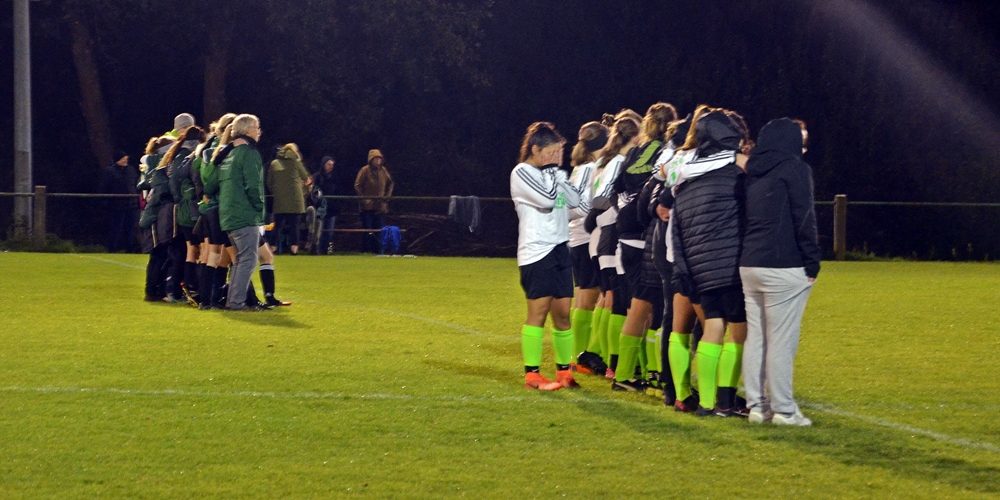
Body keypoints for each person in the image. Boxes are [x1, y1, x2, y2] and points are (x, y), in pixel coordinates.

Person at [668, 106, 750, 417]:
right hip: (730, 265)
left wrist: (684, 269)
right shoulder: (735, 174)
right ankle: (727, 401)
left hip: (699, 270)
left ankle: (706, 404)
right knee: (740, 333)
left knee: (712, 328)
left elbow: (677, 230)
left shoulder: (684, 183)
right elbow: (748, 218)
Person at [740, 117, 820, 426]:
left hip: (750, 263)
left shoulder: (752, 171)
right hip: (783, 263)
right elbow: (804, 216)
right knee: (781, 341)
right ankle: (785, 411)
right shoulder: (795, 169)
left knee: (757, 338)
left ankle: (757, 407)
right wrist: (812, 260)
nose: (803, 147)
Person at [510, 122, 583, 391]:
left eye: (559, 153)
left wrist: (559, 177)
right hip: (537, 250)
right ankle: (532, 374)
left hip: (561, 248)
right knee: (538, 312)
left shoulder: (554, 174)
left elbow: (573, 202)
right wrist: (556, 175)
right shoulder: (522, 172)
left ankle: (565, 371)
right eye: (551, 153)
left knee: (563, 314)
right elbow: (547, 200)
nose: (556, 158)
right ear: (535, 149)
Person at [566, 121, 609, 376]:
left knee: (585, 297)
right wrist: (601, 206)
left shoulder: (579, 168)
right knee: (595, 297)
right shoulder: (592, 168)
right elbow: (581, 206)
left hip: (577, 238)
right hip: (586, 238)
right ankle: (586, 354)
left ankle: (577, 355)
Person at [217, 114, 266, 311]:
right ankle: (236, 302)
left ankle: (233, 300)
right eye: (256, 127)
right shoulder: (248, 153)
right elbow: (253, 186)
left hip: (228, 213)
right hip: (243, 213)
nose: (259, 131)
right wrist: (259, 207)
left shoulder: (228, 154)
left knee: (239, 259)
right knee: (248, 259)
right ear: (247, 131)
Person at [267, 143, 312, 255]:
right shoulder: (296, 163)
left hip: (280, 200)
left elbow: (269, 183)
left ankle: (273, 247)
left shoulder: (274, 163)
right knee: (294, 226)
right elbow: (306, 178)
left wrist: (277, 192)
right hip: (296, 200)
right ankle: (294, 249)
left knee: (277, 226)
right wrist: (303, 189)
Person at [354, 149, 394, 253]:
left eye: (379, 159)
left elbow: (390, 183)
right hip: (367, 208)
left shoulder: (383, 171)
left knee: (380, 230)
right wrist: (364, 199)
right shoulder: (365, 170)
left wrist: (387, 197)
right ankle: (366, 251)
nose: (378, 161)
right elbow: (357, 185)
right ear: (371, 160)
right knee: (368, 230)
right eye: (376, 159)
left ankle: (379, 251)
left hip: (380, 206)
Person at [101, 150, 139, 253]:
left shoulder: (131, 170)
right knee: (115, 227)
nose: (125, 160)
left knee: (130, 228)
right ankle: (112, 248)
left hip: (131, 204)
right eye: (123, 158)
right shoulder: (110, 171)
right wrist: (106, 201)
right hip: (116, 204)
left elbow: (135, 184)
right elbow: (105, 186)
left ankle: (130, 248)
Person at [313, 155, 340, 254]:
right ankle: (317, 250)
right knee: (318, 231)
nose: (331, 166)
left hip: (331, 209)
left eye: (332, 165)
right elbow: (314, 190)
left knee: (330, 232)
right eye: (328, 164)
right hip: (320, 208)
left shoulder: (335, 177)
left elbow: (337, 191)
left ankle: (329, 250)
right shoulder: (317, 177)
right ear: (323, 164)